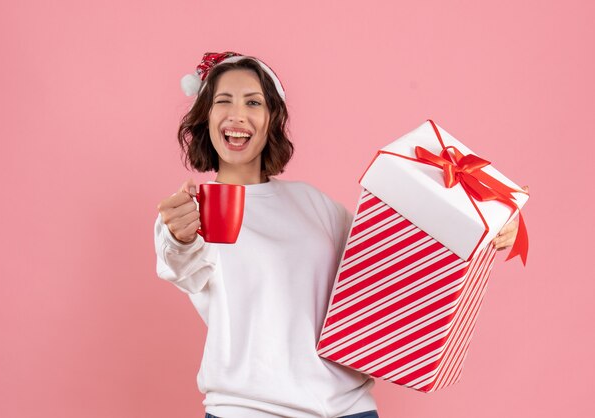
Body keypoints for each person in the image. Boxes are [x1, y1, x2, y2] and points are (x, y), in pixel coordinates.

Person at [154, 52, 523, 418]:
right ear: (206, 117)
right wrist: (179, 236)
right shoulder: (191, 211)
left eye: (253, 102)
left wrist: (487, 226)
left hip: (350, 408)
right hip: (248, 411)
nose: (237, 114)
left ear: (271, 120)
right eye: (223, 101)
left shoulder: (313, 203)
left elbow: (391, 259)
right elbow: (180, 261)